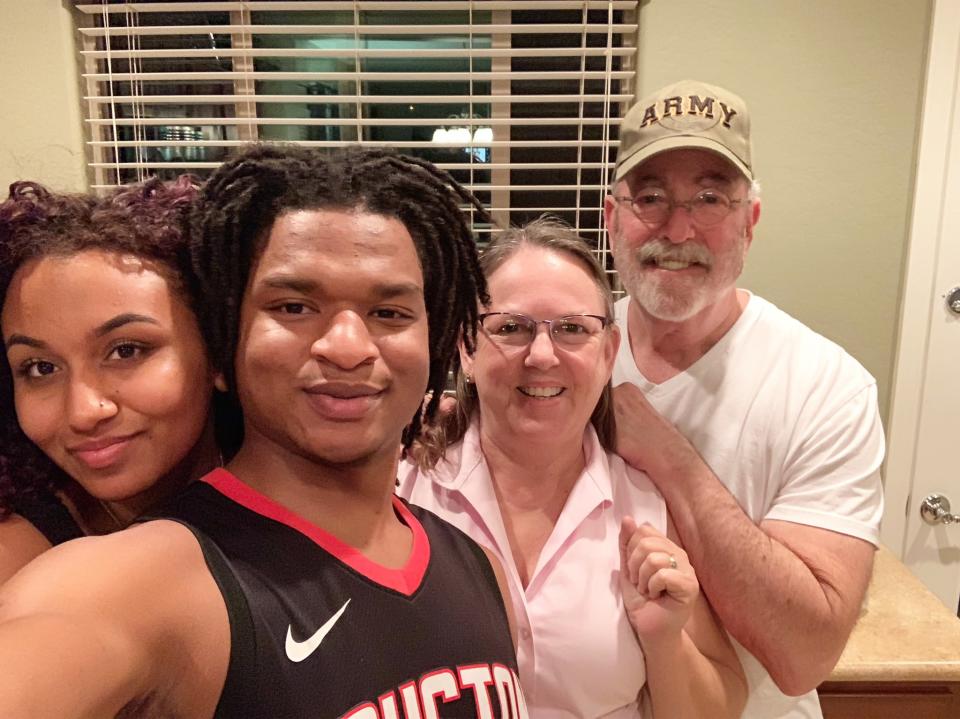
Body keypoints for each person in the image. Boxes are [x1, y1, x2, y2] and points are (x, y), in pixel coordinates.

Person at [0, 145, 525, 719]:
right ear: (225, 344)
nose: (348, 347)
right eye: (295, 306)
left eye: (390, 313)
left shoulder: (479, 567)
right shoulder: (135, 587)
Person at [605, 79, 885, 718]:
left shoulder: (825, 387)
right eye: (650, 197)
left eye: (709, 198)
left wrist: (671, 460)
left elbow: (805, 656)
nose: (678, 229)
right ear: (612, 216)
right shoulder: (562, 354)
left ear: (750, 221)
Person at [400, 217, 746, 719]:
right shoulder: (403, 490)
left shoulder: (645, 504)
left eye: (571, 330)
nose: (542, 355)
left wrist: (665, 639)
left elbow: (721, 706)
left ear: (608, 354)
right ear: (466, 349)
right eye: (511, 328)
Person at [0, 177, 220, 584]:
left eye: (126, 351)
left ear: (216, 350)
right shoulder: (19, 560)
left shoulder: (303, 492)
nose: (83, 413)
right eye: (41, 368)